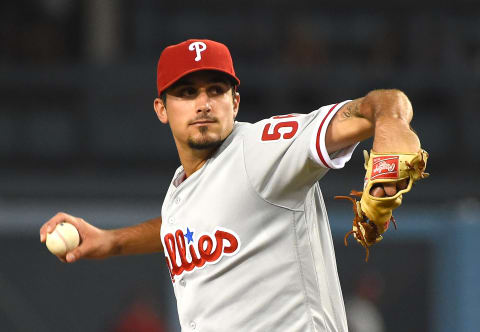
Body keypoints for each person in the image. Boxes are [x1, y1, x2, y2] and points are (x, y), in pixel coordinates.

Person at [40, 39, 422, 331]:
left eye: (215, 90)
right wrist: (111, 241)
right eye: (187, 93)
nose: (203, 103)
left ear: (235, 102)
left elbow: (382, 103)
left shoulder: (262, 150)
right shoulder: (182, 188)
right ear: (161, 109)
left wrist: (390, 123)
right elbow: (187, 224)